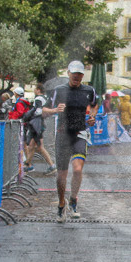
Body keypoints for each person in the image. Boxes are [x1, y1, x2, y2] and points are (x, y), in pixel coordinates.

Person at [45, 61, 98, 222]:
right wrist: (54, 110)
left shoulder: (89, 90)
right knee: (62, 175)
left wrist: (92, 116)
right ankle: (61, 204)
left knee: (77, 169)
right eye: (74, 73)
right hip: (62, 135)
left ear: (83, 75)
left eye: (80, 74)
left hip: (80, 133)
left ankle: (73, 200)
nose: (76, 76)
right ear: (68, 73)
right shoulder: (59, 90)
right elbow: (44, 110)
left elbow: (95, 105)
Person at [23, 84, 56, 174]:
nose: (34, 90)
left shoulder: (38, 99)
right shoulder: (45, 98)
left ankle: (51, 165)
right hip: (39, 124)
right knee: (31, 146)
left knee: (40, 147)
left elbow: (38, 110)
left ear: (38, 90)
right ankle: (28, 165)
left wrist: (29, 114)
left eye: (35, 89)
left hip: (36, 124)